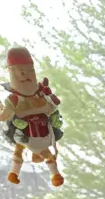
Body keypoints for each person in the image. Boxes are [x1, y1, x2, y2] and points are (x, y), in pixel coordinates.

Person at [0, 44, 63, 187]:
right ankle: (16, 173)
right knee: (21, 147)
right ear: (12, 72)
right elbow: (4, 116)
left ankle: (16, 172)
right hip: (26, 130)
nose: (26, 75)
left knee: (23, 148)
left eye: (30, 71)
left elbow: (52, 107)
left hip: (41, 129)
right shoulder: (14, 99)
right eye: (22, 71)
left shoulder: (41, 91)